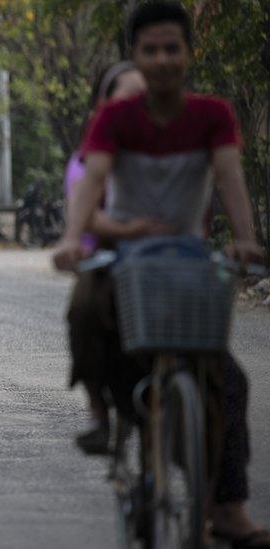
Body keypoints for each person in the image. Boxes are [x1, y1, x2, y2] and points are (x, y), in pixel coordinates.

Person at [53, 3, 269, 546]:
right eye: (151, 49)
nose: (163, 59)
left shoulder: (212, 116)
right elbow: (92, 181)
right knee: (83, 307)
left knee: (229, 385)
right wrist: (70, 240)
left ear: (189, 53)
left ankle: (224, 506)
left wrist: (246, 238)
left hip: (187, 265)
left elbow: (229, 177)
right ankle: (100, 411)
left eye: (172, 47)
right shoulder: (114, 120)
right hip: (127, 265)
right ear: (136, 56)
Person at [64, 61, 147, 453]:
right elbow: (85, 212)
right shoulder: (89, 153)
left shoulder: (177, 138)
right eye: (124, 97)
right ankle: (98, 410)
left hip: (166, 255)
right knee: (83, 308)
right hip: (110, 255)